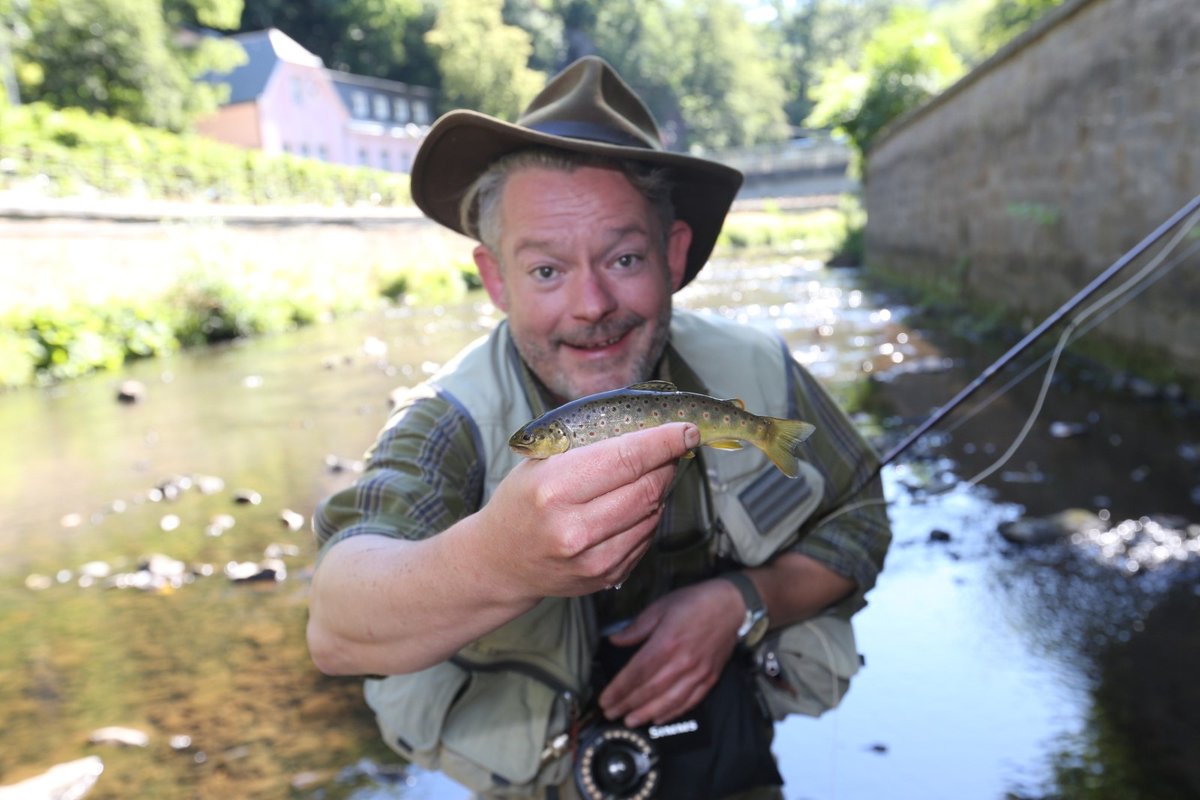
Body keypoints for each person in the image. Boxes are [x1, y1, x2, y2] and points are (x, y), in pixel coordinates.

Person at [307, 56, 891, 800]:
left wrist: (748, 600)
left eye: (623, 257)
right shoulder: (443, 421)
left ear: (674, 254)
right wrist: (499, 561)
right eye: (546, 271)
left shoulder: (760, 372)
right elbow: (336, 625)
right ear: (496, 280)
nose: (590, 304)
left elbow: (864, 519)